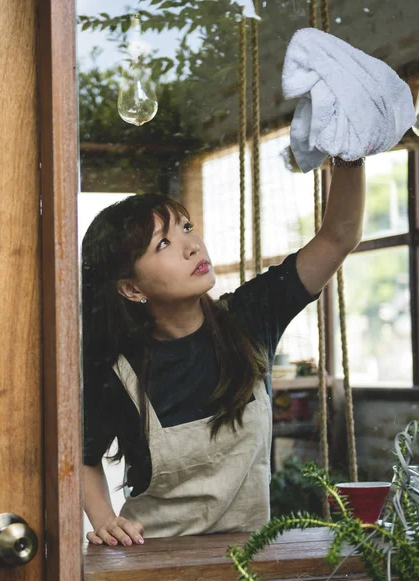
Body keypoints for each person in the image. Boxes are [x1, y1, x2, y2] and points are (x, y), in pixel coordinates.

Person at [82, 157, 366, 546]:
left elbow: (339, 236)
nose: (192, 246)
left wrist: (351, 155)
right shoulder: (117, 368)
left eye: (186, 228)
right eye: (163, 243)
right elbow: (81, 456)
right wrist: (104, 519)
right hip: (153, 560)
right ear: (132, 289)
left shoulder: (252, 316)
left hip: (251, 558)